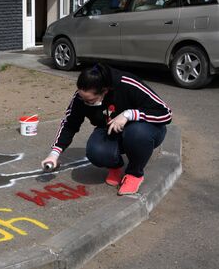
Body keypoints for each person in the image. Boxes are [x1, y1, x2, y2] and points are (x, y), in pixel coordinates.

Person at [41, 63, 172, 195]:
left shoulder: (127, 83)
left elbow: (165, 113)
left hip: (147, 130)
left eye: (91, 101)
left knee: (136, 133)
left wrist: (129, 114)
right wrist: (54, 154)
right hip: (112, 130)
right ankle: (115, 166)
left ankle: (134, 173)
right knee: (96, 151)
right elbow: (70, 124)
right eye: (83, 99)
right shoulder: (81, 97)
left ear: (105, 90)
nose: (86, 103)